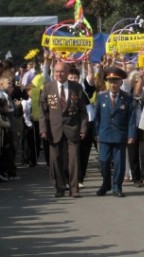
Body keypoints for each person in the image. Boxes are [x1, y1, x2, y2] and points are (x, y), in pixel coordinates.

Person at [39, 62, 88, 198]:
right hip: (54, 130)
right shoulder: (47, 88)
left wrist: (83, 128)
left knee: (73, 160)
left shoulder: (77, 87)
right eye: (56, 72)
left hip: (73, 128)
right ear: (53, 73)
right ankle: (60, 187)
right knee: (56, 159)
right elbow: (43, 112)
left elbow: (83, 112)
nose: (59, 74)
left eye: (61, 72)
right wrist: (43, 129)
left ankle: (74, 188)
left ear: (67, 73)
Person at [94, 67, 137, 197]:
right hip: (105, 134)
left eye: (115, 82)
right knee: (103, 161)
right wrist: (96, 134)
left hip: (120, 135)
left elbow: (131, 118)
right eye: (110, 82)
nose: (113, 85)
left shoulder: (127, 98)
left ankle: (117, 186)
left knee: (119, 162)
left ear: (120, 83)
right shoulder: (102, 97)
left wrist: (131, 135)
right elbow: (97, 117)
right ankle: (106, 183)